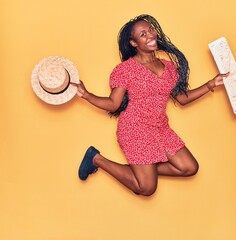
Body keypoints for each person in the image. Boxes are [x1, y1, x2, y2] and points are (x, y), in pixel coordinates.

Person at [75, 14, 228, 196]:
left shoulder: (169, 67)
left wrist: (211, 84)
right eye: (143, 34)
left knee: (189, 167)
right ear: (134, 43)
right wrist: (86, 95)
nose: (150, 36)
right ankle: (96, 159)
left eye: (150, 30)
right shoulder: (126, 70)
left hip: (160, 127)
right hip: (135, 128)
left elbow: (182, 99)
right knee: (147, 188)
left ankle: (140, 170)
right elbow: (113, 104)